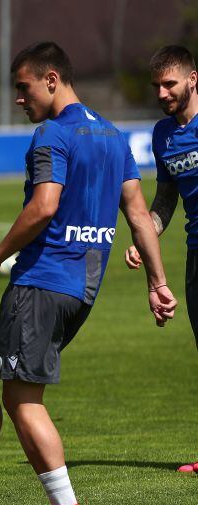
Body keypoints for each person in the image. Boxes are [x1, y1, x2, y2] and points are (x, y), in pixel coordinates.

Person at [0, 42, 177, 505]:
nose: (20, 98)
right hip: (79, 289)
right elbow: (140, 217)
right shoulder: (111, 135)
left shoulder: (52, 134)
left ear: (52, 79)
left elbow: (43, 207)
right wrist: (158, 282)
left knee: (23, 399)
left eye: (24, 87)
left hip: (40, 284)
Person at [123, 45, 198, 473]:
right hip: (195, 254)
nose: (162, 93)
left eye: (169, 83)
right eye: (156, 86)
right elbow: (166, 200)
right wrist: (145, 234)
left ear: (193, 79)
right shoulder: (163, 136)